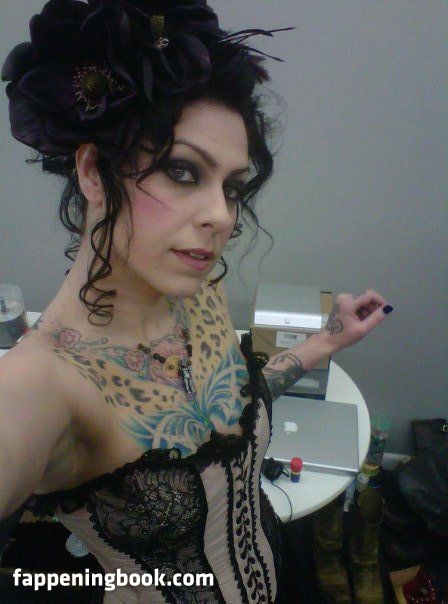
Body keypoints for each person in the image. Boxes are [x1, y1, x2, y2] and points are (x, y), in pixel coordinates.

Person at [0, 1, 394, 602]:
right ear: (94, 172)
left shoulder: (199, 289)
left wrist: (325, 342)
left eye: (232, 188)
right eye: (184, 172)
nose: (221, 217)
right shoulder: (44, 381)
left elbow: (226, 407)